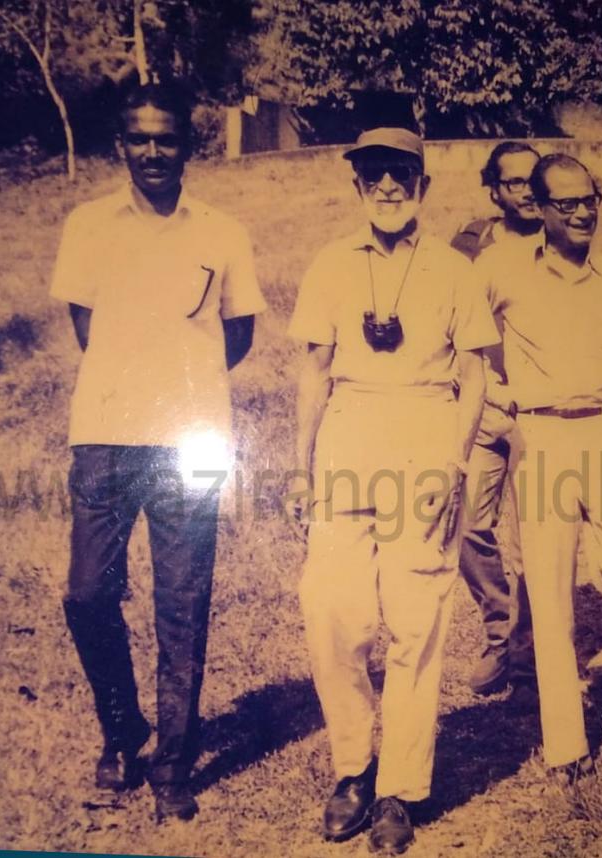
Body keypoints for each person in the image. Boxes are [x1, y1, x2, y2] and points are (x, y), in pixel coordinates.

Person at [51, 82, 265, 823]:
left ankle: (173, 763)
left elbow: (237, 334)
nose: (152, 151)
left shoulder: (222, 232)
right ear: (121, 145)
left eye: (166, 138)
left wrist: (183, 391)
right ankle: (123, 731)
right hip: (104, 435)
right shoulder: (88, 224)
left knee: (183, 600)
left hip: (192, 439)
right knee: (87, 593)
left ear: (188, 147)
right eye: (139, 138)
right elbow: (87, 327)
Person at [287, 127, 497, 854]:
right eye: (373, 173)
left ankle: (398, 790)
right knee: (331, 611)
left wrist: (454, 464)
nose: (386, 186)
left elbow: (474, 375)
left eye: (401, 174)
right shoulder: (330, 264)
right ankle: (352, 767)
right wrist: (300, 464)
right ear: (356, 185)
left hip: (425, 437)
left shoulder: (453, 269)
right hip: (347, 438)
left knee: (416, 620)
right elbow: (314, 370)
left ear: (422, 186)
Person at [474, 153, 602, 785]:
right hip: (541, 439)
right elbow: (464, 345)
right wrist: (501, 410)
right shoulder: (500, 270)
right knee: (549, 594)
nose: (581, 212)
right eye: (565, 203)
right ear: (538, 209)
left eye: (589, 199)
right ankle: (566, 744)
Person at [449, 141, 542, 695]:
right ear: (494, 191)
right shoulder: (469, 248)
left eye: (534, 178)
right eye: (514, 182)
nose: (527, 191)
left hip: (539, 412)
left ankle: (528, 650)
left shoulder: (565, 240)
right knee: (466, 527)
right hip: (484, 406)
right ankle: (500, 632)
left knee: (535, 536)